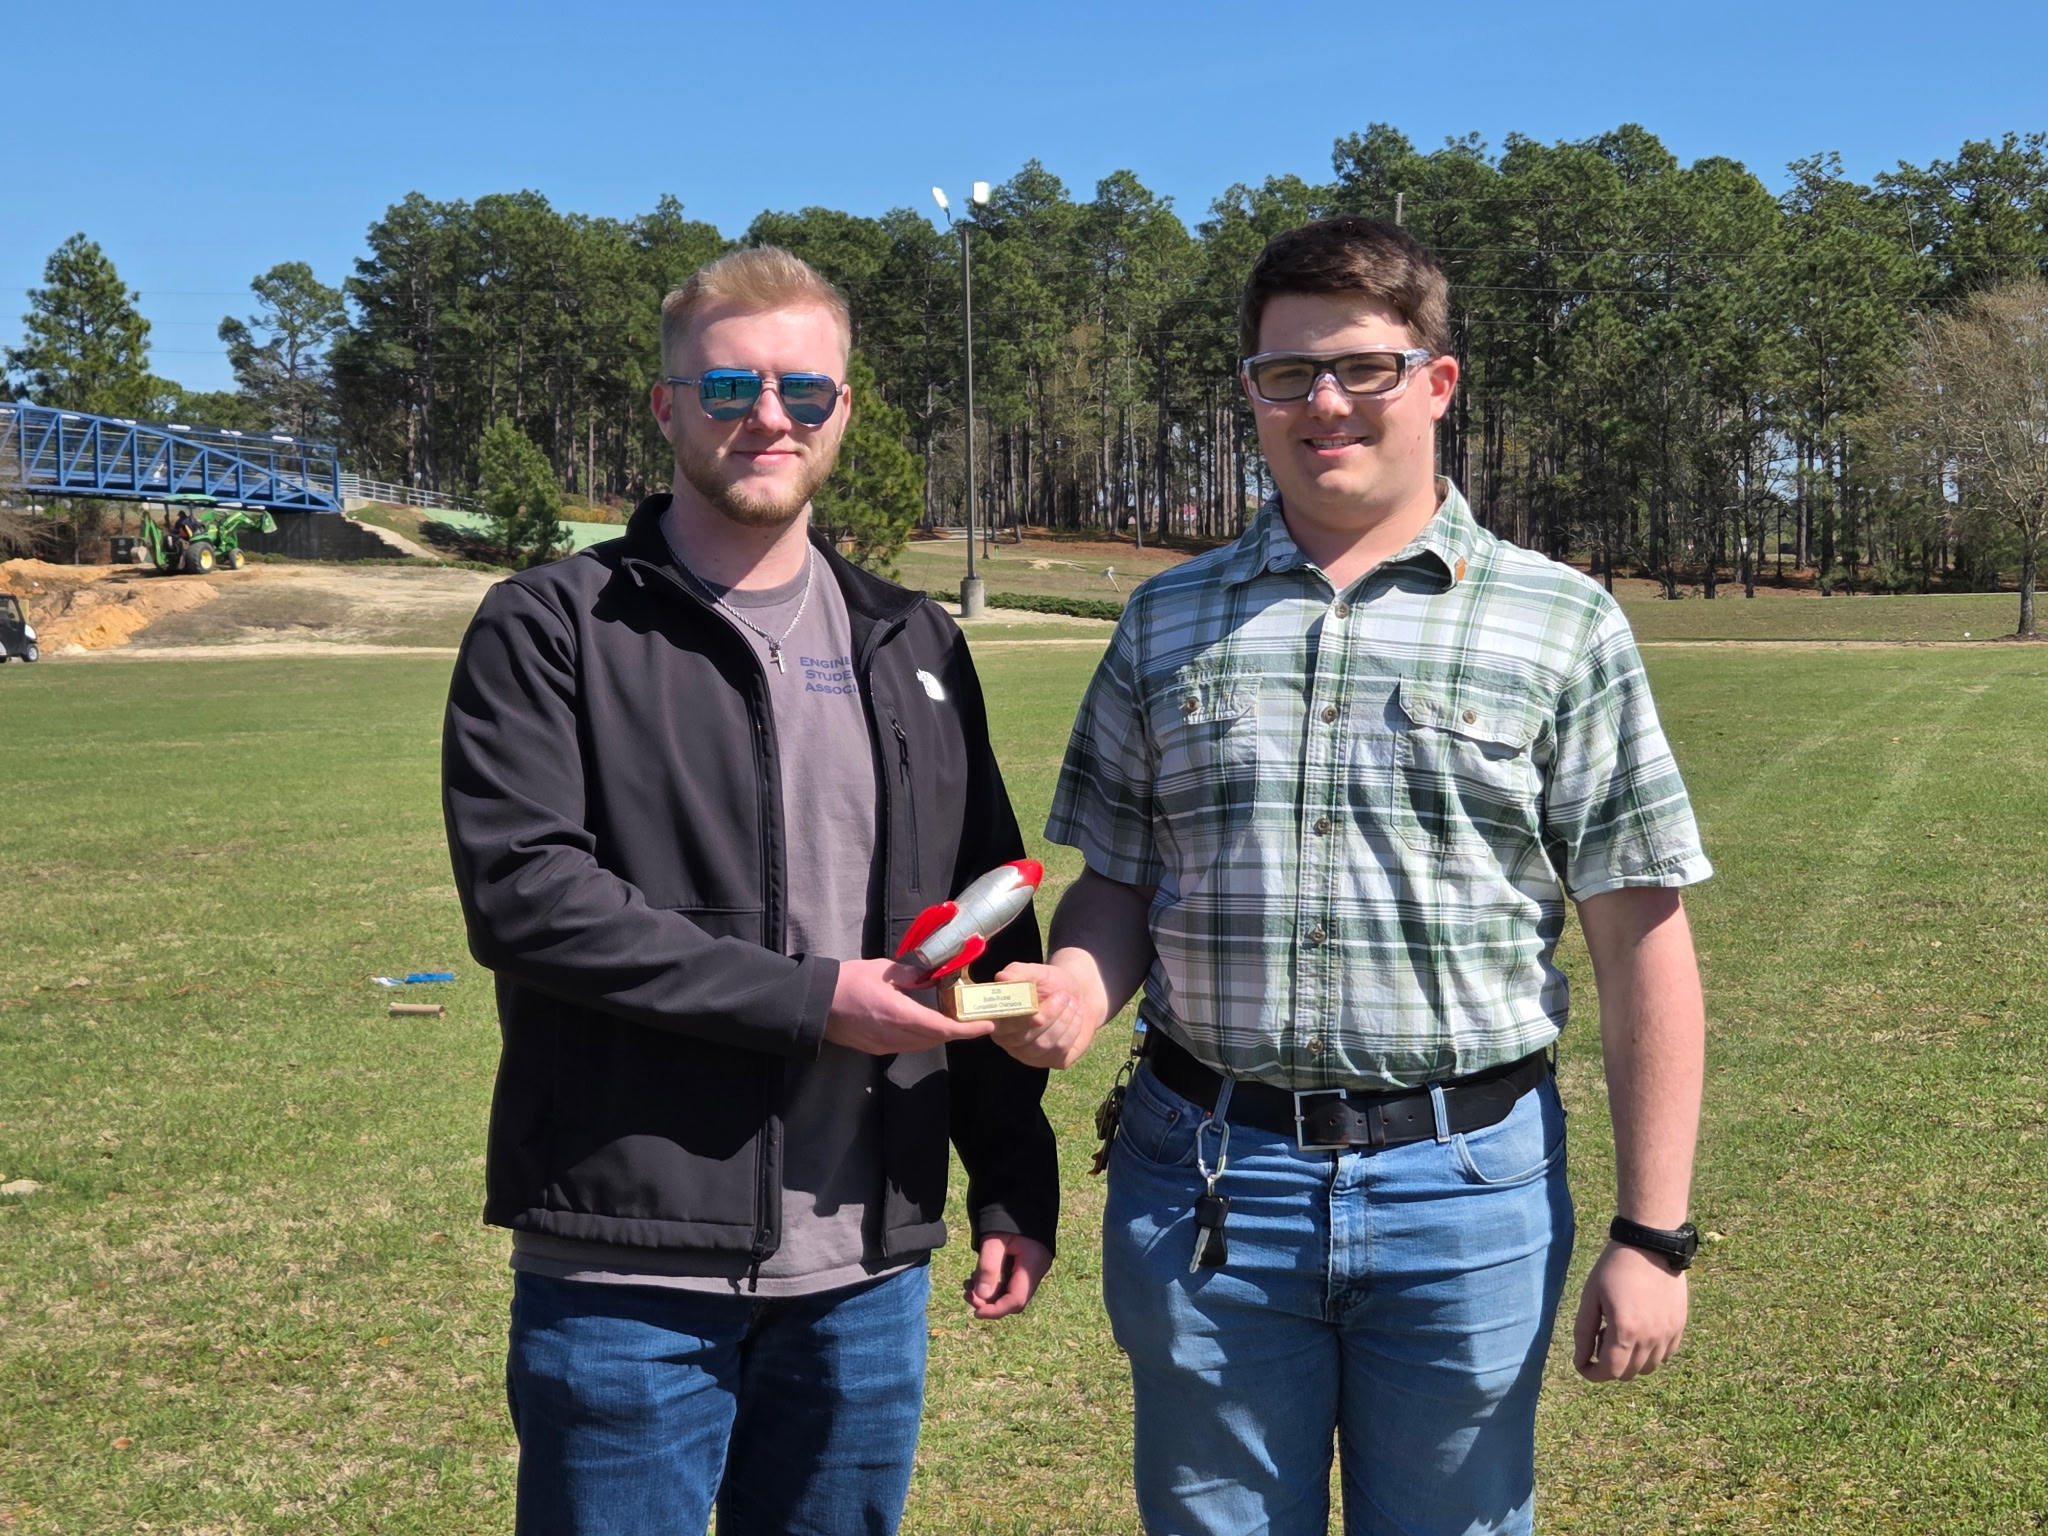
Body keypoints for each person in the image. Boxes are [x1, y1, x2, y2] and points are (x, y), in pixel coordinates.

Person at [994, 217, 1711, 1536]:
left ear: (1436, 382)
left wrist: (1652, 1235)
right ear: (1253, 395)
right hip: (1207, 1182)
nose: (1322, 402)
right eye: (1285, 374)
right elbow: (1118, 880)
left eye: (1362, 368)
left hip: (1467, 1191)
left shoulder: (1562, 623)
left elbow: (1641, 938)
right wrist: (1084, 990)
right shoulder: (1168, 618)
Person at [442, 246, 1058, 1536]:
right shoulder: (554, 623)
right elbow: (526, 893)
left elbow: (988, 907)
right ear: (667, 407)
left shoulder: (916, 642)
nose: (767, 417)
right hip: (630, 1264)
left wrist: (1009, 1173)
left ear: (844, 410)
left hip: (867, 1272)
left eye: (803, 391)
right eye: (728, 386)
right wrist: (812, 1000)